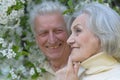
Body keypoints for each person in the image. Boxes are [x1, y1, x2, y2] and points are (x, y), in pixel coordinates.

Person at [56, 2, 120, 80]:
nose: (69, 40)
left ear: (102, 35)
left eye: (78, 30)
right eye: (71, 33)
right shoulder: (76, 75)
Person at [29, 1, 71, 80]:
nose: (52, 40)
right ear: (36, 38)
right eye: (44, 33)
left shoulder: (86, 69)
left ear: (69, 31)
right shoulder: (36, 74)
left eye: (58, 31)